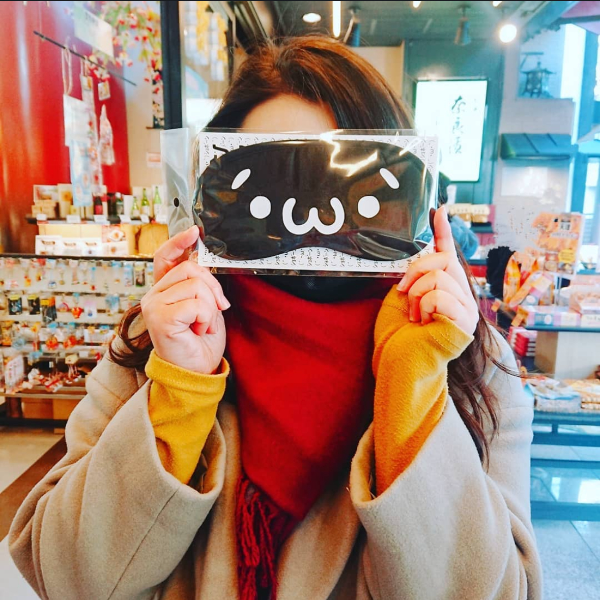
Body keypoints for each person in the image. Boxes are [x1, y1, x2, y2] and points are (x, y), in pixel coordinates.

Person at [9, 36, 541, 600]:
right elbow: (66, 577)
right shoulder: (162, 340)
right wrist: (178, 390)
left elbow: (499, 591)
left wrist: (414, 383)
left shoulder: (467, 359)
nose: (313, 218)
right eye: (273, 181)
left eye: (349, 183)